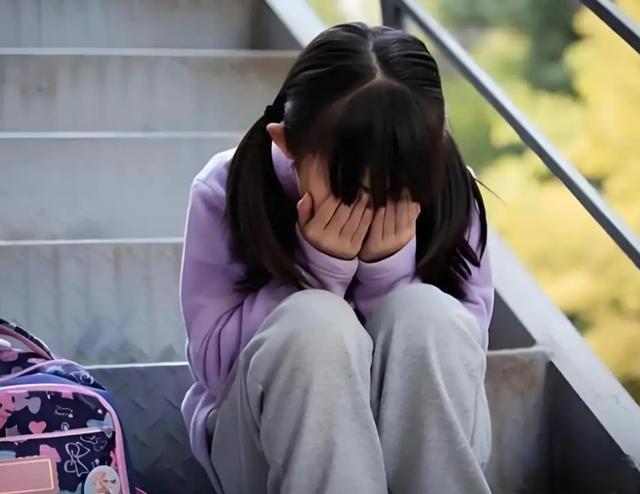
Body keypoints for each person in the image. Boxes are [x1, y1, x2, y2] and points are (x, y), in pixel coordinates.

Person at [180, 22, 494, 494]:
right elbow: (215, 369)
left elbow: (464, 358)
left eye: (398, 188)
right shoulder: (226, 188)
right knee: (314, 322)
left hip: (422, 446)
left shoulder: (449, 189)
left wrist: (388, 274)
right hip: (265, 444)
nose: (373, 203)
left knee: (428, 314)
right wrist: (317, 269)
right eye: (350, 187)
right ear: (286, 142)